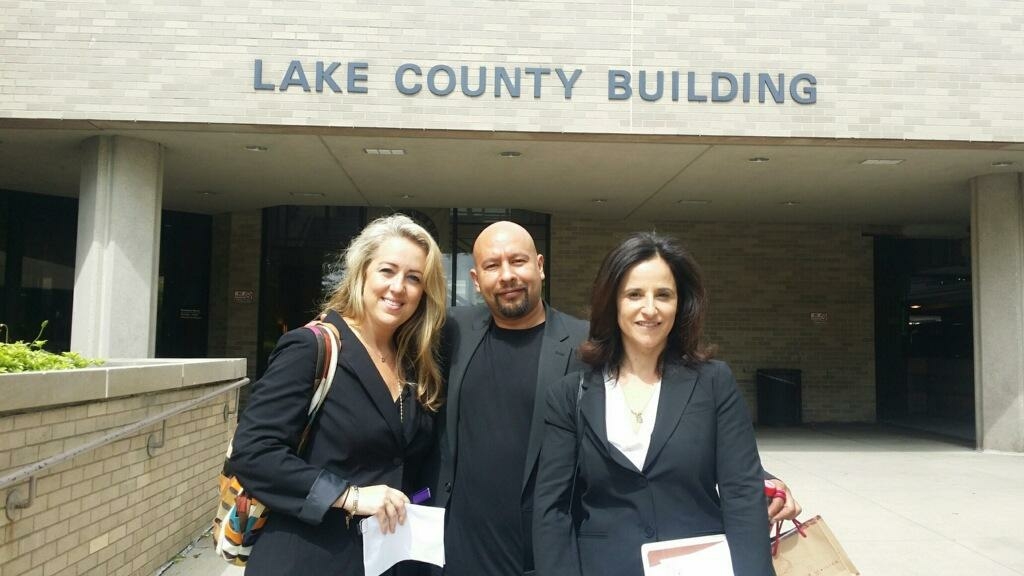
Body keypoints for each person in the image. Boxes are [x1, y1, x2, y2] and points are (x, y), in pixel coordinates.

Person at [432, 222, 797, 576]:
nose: (507, 275)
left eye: (519, 260)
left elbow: (712, 461)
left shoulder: (583, 348)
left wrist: (761, 481)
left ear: (540, 266)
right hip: (479, 544)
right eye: (492, 265)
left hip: (670, 558)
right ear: (476, 279)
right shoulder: (452, 332)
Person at [533, 232, 775, 576]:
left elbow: (742, 493)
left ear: (681, 304)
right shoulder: (570, 395)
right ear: (612, 302)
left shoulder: (713, 383)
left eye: (663, 295)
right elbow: (551, 510)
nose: (650, 309)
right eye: (634, 294)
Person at [229, 214, 448, 575]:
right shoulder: (311, 348)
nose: (398, 288)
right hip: (308, 557)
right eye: (387, 271)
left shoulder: (414, 363)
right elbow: (254, 453)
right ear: (361, 272)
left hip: (387, 559)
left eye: (414, 278)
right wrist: (350, 496)